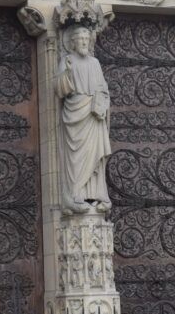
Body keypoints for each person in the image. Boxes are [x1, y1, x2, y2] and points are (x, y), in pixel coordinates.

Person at [55, 27, 111, 214]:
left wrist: (101, 100)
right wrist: (67, 74)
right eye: (80, 39)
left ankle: (96, 194)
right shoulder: (67, 60)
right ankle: (75, 194)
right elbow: (60, 89)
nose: (84, 42)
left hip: (93, 115)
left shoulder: (95, 63)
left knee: (95, 155)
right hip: (76, 113)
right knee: (76, 157)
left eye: (87, 39)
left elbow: (103, 87)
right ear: (72, 42)